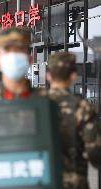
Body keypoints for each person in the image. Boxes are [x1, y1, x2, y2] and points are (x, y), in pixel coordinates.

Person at [46, 52, 101, 189]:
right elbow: (94, 153)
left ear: (48, 76)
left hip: (42, 181)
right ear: (74, 76)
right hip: (74, 183)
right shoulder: (81, 106)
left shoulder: (35, 105)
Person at [0, 27, 44, 101]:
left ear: (30, 59)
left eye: (19, 50)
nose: (13, 55)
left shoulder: (47, 102)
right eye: (7, 50)